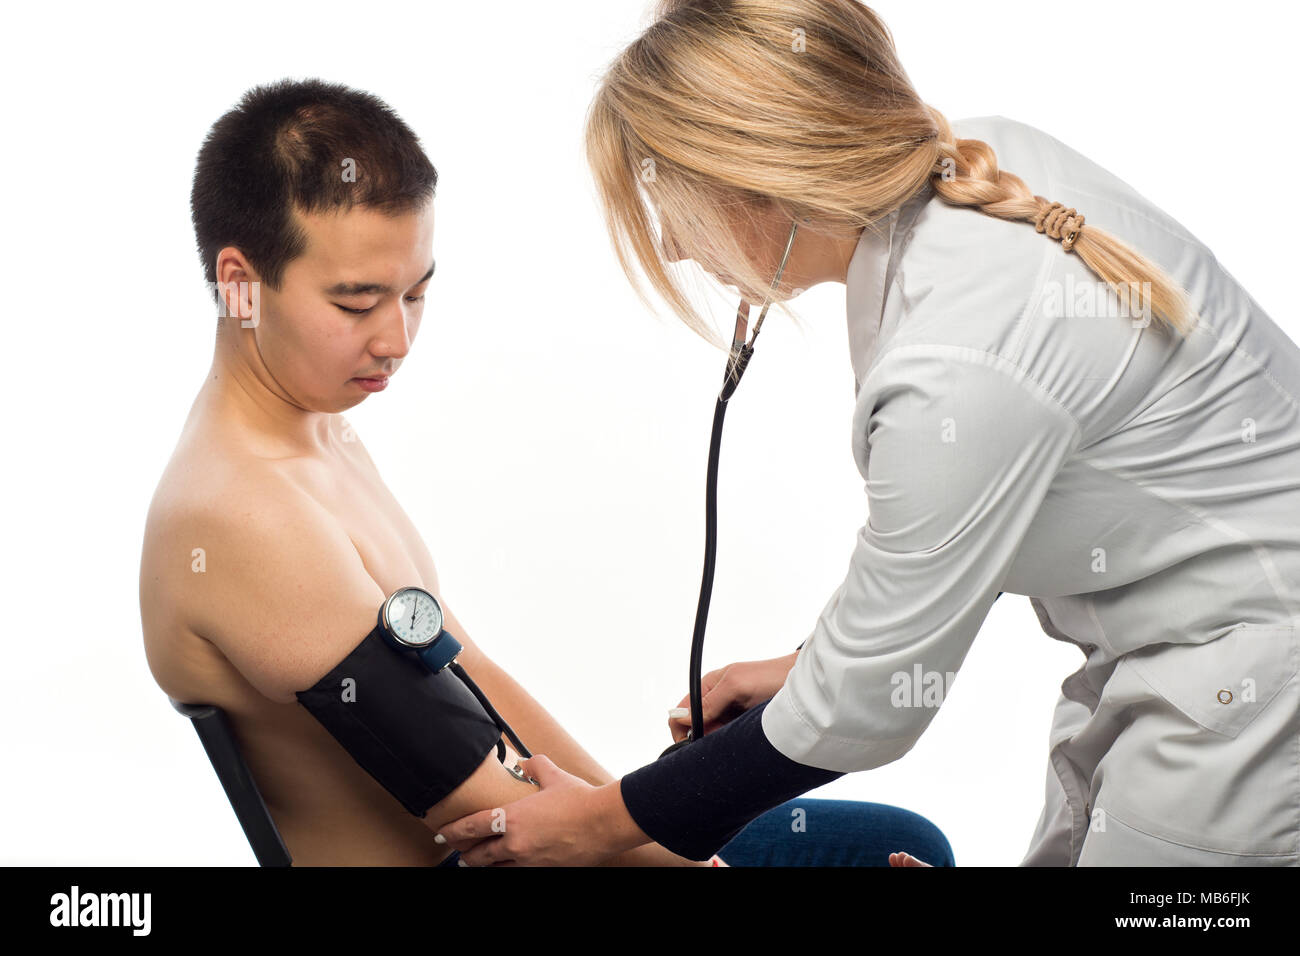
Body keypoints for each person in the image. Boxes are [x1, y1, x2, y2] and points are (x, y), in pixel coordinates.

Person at [435, 0, 1300, 867]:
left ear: (753, 175)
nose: (671, 249)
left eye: (670, 199)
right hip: (1197, 658)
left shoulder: (957, 359)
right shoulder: (981, 167)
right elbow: (965, 524)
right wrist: (811, 664)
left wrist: (600, 824)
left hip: (1250, 689)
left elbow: (870, 704)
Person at [139, 76, 953, 867]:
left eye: (415, 294)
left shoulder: (318, 434)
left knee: (901, 844)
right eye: (356, 304)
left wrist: (637, 817)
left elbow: (469, 672)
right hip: (494, 847)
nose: (396, 339)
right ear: (241, 287)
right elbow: (479, 798)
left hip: (535, 833)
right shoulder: (239, 516)